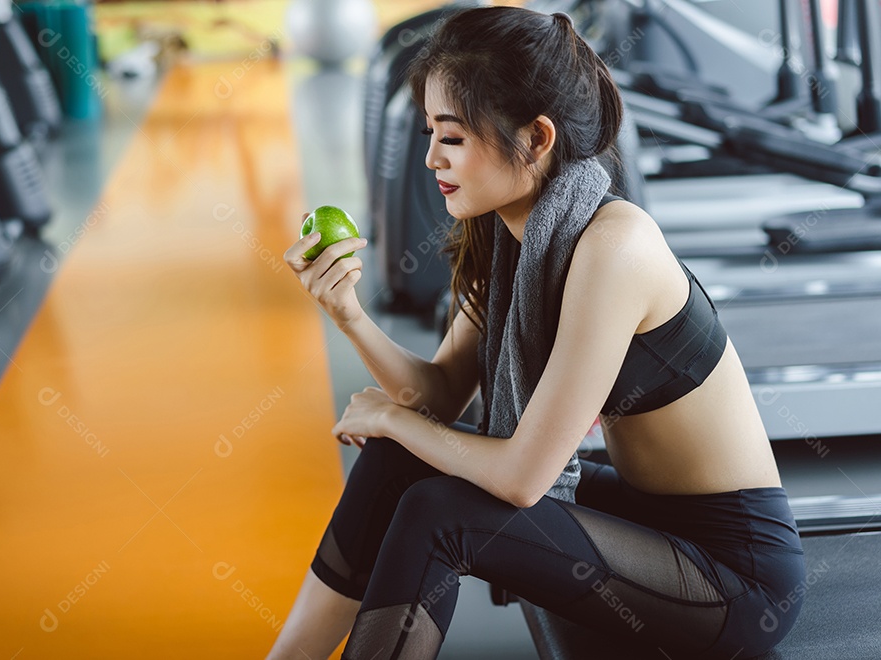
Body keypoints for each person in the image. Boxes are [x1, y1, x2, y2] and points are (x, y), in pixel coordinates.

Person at [269, 6, 805, 660]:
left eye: (453, 137)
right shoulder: (505, 234)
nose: (432, 157)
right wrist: (349, 315)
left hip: (731, 577)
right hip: (644, 522)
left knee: (439, 512)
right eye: (429, 133)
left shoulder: (616, 245)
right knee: (398, 464)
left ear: (537, 137)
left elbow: (523, 478)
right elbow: (439, 393)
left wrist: (396, 421)